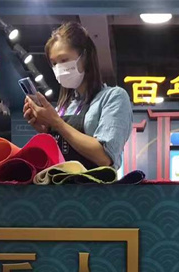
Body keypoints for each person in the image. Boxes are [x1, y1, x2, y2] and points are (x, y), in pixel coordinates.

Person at [23, 22, 132, 169]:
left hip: (95, 183)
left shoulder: (113, 97)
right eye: (54, 63)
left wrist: (57, 123)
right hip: (62, 182)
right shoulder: (65, 106)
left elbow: (104, 158)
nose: (58, 68)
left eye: (64, 60)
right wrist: (47, 130)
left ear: (84, 57)